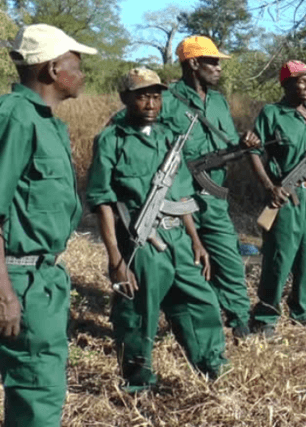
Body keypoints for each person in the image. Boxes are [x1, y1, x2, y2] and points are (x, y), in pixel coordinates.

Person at [86, 68, 227, 391]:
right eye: (142, 96)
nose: (150, 103)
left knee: (200, 301)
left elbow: (179, 194)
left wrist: (196, 241)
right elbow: (102, 201)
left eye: (155, 96)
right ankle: (138, 383)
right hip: (141, 241)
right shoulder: (112, 140)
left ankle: (212, 367)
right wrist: (116, 259)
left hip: (177, 235)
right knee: (139, 313)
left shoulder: (167, 136)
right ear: (125, 99)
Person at [0, 24, 96, 427]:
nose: (83, 73)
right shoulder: (16, 119)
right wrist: (5, 295)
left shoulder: (46, 122)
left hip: (42, 278)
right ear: (54, 69)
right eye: (77, 63)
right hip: (18, 279)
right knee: (37, 396)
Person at [159, 36, 260, 338]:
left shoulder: (218, 101)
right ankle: (188, 325)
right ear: (193, 63)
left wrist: (244, 144)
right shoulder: (166, 100)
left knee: (229, 260)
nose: (218, 68)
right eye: (212, 62)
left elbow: (227, 144)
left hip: (214, 197)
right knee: (182, 265)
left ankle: (240, 321)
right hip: (178, 198)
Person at [248, 60, 306, 337]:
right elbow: (253, 151)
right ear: (286, 84)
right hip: (285, 196)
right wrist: (270, 186)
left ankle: (302, 310)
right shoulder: (272, 113)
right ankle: (265, 317)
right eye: (300, 80)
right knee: (279, 257)